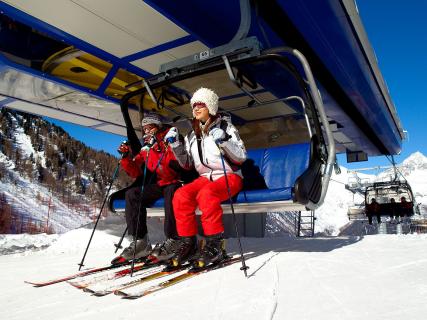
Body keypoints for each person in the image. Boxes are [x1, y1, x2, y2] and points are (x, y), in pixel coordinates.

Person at [152, 87, 247, 268]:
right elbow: (187, 164)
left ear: (210, 107)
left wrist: (225, 141)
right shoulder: (192, 134)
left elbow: (241, 156)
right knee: (180, 196)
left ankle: (215, 244)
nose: (196, 109)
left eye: (200, 105)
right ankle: (188, 243)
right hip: (205, 177)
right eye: (194, 105)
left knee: (207, 194)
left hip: (229, 176)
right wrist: (177, 145)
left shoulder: (226, 127)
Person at [111, 112, 182, 265]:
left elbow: (176, 163)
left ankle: (174, 239)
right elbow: (135, 171)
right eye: (144, 129)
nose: (147, 131)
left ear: (158, 127)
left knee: (171, 192)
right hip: (162, 183)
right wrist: (126, 158)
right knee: (132, 194)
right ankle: (140, 241)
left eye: (150, 128)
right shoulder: (147, 148)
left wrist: (157, 146)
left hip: (177, 181)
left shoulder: (169, 140)